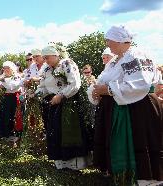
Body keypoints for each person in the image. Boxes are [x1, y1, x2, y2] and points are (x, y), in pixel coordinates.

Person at [90, 25, 163, 185]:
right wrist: (96, 90)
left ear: (119, 40)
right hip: (118, 107)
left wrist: (107, 90)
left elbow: (139, 84)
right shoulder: (115, 60)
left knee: (139, 141)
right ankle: (123, 175)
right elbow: (103, 79)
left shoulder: (136, 56)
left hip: (137, 108)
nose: (107, 44)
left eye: (109, 40)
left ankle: (144, 179)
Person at [36, 46, 89, 170]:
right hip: (54, 104)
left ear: (55, 55)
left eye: (47, 57)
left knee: (70, 131)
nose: (45, 60)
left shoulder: (67, 63)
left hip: (69, 103)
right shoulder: (46, 69)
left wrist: (61, 95)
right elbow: (43, 87)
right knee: (56, 131)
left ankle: (75, 163)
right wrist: (35, 94)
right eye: (43, 58)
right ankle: (61, 161)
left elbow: (75, 83)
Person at [0, 61, 22, 141]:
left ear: (12, 69)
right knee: (2, 116)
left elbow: (12, 86)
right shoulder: (2, 77)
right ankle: (3, 135)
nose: (6, 70)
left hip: (13, 98)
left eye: (8, 68)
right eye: (5, 68)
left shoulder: (16, 76)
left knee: (12, 116)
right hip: (3, 99)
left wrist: (3, 82)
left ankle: (13, 134)